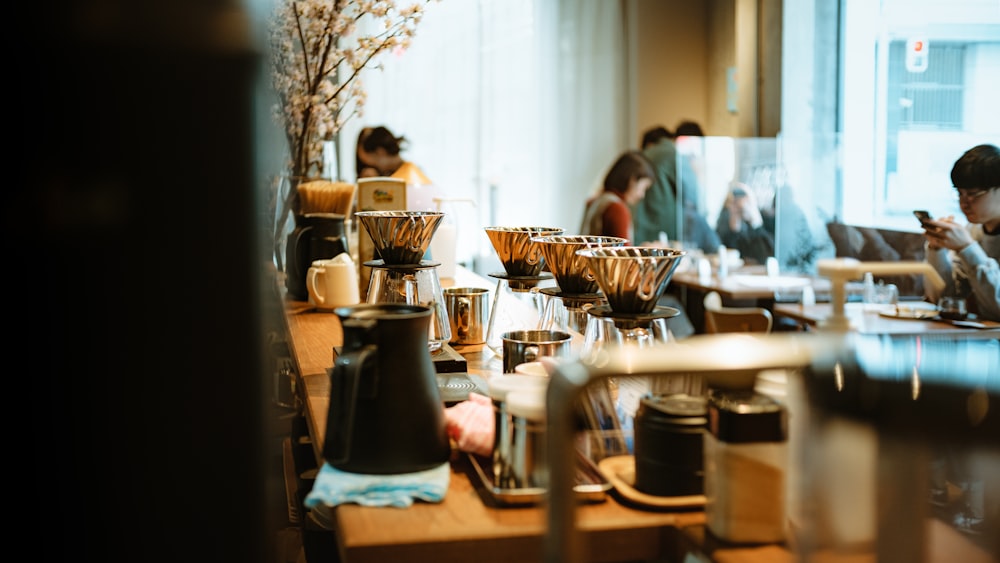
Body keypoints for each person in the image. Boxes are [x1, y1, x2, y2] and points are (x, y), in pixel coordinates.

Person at [921, 143, 1000, 322]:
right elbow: (946, 300)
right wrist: (937, 250)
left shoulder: (968, 239)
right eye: (960, 193)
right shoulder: (972, 230)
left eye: (973, 194)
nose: (964, 203)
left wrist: (967, 248)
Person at [580, 151, 655, 244]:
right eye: (643, 187)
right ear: (632, 180)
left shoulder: (596, 200)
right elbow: (624, 256)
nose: (642, 195)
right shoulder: (617, 209)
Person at [715, 182, 775, 265]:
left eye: (746, 202)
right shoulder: (725, 219)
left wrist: (755, 222)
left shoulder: (764, 220)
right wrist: (734, 229)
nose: (740, 206)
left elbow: (768, 257)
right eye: (734, 202)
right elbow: (725, 255)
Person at [355, 125, 432, 185]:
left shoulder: (411, 174)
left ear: (380, 152)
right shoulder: (389, 174)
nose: (375, 168)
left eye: (374, 163)